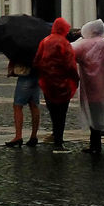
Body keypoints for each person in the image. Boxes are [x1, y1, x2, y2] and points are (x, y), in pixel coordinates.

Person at [72, 19, 104, 155]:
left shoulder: (84, 45)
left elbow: (68, 52)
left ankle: (95, 146)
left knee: (95, 119)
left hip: (93, 89)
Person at [35, 17, 78, 153]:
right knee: (61, 113)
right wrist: (76, 79)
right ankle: (58, 142)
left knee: (53, 111)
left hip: (47, 83)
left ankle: (55, 135)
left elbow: (36, 61)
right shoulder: (64, 43)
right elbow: (70, 65)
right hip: (62, 84)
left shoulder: (44, 41)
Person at [3, 57, 41, 148]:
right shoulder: (37, 44)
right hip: (37, 74)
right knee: (34, 106)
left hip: (25, 75)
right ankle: (33, 136)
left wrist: (11, 67)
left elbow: (16, 56)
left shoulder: (22, 46)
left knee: (18, 106)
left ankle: (18, 136)